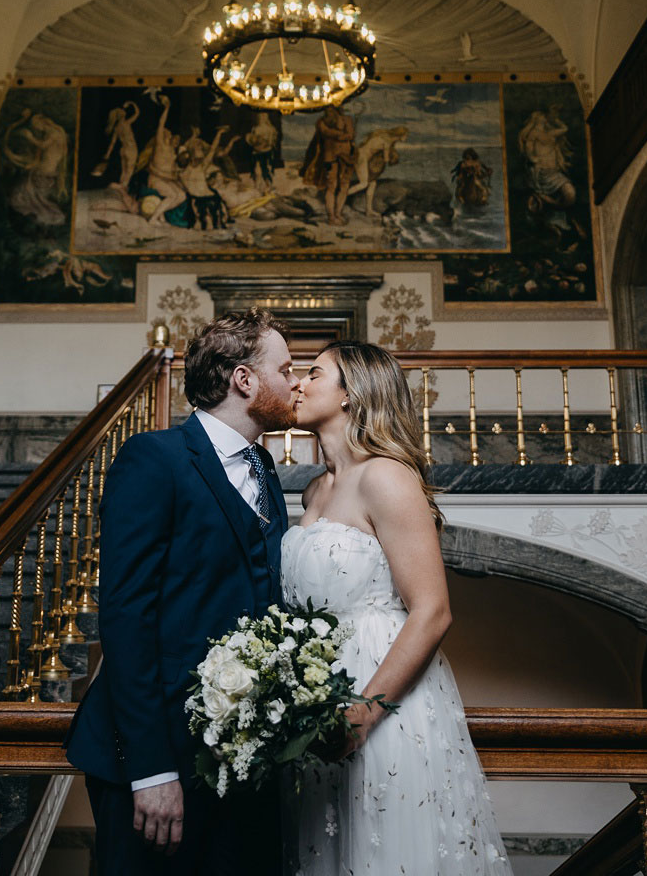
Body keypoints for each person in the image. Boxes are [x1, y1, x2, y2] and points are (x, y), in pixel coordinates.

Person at [65, 308, 300, 875]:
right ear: (245, 380)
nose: (295, 383)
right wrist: (152, 770)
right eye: (286, 369)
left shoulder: (264, 467)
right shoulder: (155, 458)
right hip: (157, 756)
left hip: (240, 760)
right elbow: (126, 617)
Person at [284, 341, 512, 875]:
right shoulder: (315, 490)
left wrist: (364, 713)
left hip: (380, 700)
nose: (297, 384)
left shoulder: (387, 476)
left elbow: (432, 610)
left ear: (350, 395)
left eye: (312, 374)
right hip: (319, 696)